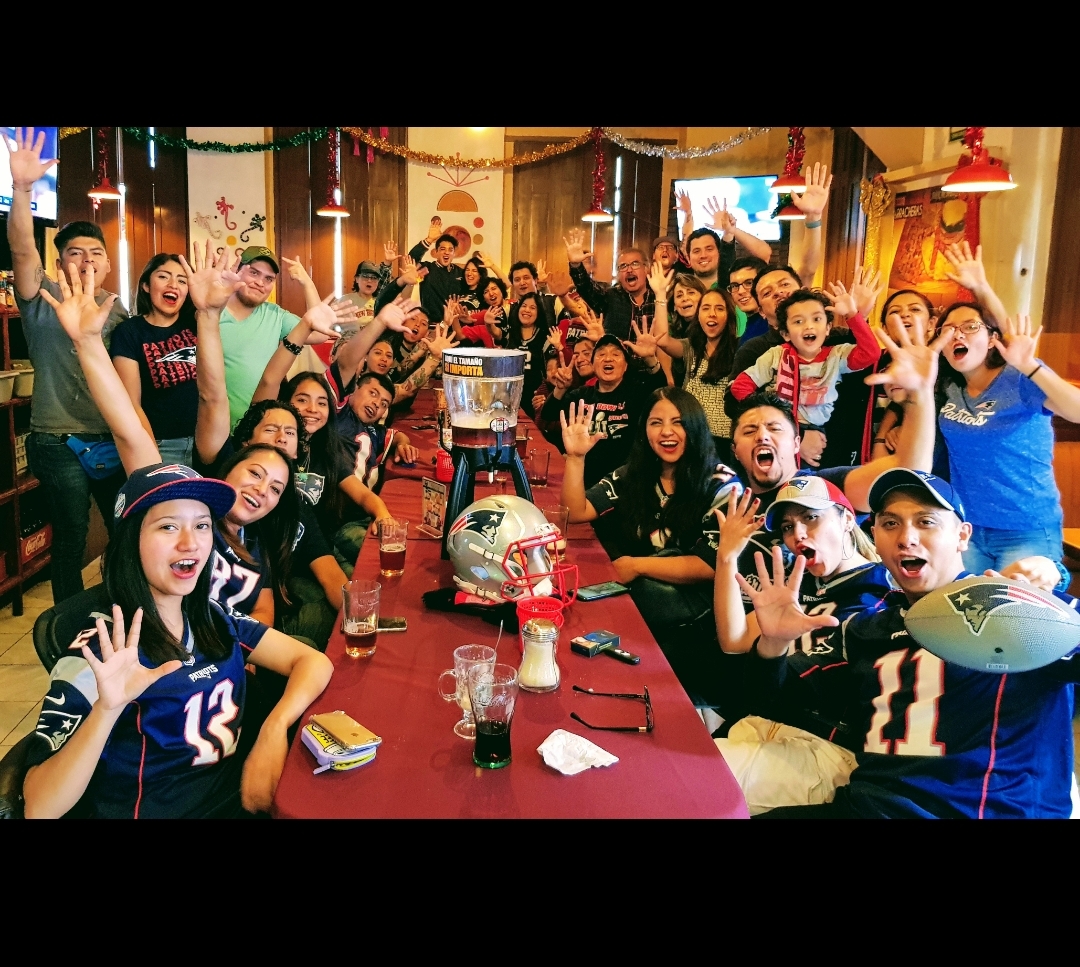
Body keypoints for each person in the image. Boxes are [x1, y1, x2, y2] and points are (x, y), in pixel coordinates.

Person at [23, 260, 334, 818]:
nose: (191, 541)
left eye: (200, 526)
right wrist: (107, 709)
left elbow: (314, 662)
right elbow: (38, 807)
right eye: (169, 526)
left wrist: (272, 732)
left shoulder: (212, 617)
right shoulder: (104, 651)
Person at [741, 469, 1080, 819]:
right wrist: (774, 643)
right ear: (874, 536)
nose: (906, 538)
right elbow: (769, 699)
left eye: (926, 522)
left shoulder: (1017, 609)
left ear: (962, 536)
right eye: (890, 524)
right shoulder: (864, 630)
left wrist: (1050, 580)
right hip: (865, 807)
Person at [4, 127, 129, 603]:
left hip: (110, 435)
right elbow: (21, 249)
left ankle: (122, 609)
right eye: (75, 253)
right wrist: (21, 189)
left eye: (96, 253)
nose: (86, 260)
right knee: (72, 533)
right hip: (57, 438)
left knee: (124, 527)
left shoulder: (117, 310)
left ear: (108, 264)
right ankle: (71, 620)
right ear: (60, 263)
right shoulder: (42, 298)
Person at [560, 390, 740, 702]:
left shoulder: (721, 484)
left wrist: (636, 565)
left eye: (678, 422)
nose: (666, 431)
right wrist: (576, 458)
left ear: (695, 427)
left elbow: (711, 564)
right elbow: (575, 512)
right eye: (656, 422)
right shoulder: (636, 473)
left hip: (694, 620)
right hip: (643, 601)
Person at [935, 301, 1080, 573]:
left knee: (1012, 600)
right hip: (967, 528)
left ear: (992, 339)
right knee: (960, 600)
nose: (957, 334)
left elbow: (1077, 411)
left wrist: (1029, 365)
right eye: (948, 329)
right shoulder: (948, 387)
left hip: (1026, 528)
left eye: (970, 326)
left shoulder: (1019, 378)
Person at [730, 267, 880, 469]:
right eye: (767, 292)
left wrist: (855, 315)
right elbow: (736, 394)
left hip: (833, 444)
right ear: (762, 312)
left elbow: (868, 356)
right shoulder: (765, 352)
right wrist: (789, 431)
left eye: (784, 284)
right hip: (781, 437)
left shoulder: (836, 350)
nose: (808, 326)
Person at [540, 334, 666, 488]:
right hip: (585, 480)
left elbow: (661, 391)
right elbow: (548, 414)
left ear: (626, 366)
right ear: (593, 365)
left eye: (616, 354)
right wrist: (560, 388)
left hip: (623, 483)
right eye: (601, 354)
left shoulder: (636, 393)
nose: (608, 358)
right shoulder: (582, 395)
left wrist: (650, 359)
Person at [642, 266, 739, 461]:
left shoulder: (740, 349)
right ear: (698, 315)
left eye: (719, 309)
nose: (712, 314)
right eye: (706, 308)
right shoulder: (691, 347)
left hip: (724, 443)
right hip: (692, 437)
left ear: (729, 314)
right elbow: (663, 340)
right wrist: (660, 294)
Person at [109, 254, 197, 467]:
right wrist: (151, 454)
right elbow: (131, 404)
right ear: (146, 285)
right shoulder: (129, 332)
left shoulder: (197, 324)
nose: (173, 285)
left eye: (182, 280)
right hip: (161, 444)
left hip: (205, 439)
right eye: (164, 277)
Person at [564, 228, 654, 340]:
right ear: (618, 274)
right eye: (623, 266)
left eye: (635, 264)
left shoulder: (659, 299)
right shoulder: (611, 297)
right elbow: (586, 287)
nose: (629, 270)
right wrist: (576, 265)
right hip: (614, 351)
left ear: (646, 268)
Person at [505, 292, 555, 416]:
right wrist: (489, 324)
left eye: (532, 308)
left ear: (539, 312)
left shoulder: (545, 337)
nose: (527, 310)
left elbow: (551, 369)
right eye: (524, 306)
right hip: (508, 394)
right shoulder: (510, 333)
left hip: (534, 397)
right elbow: (495, 333)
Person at [408, 216, 464, 321]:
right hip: (431, 324)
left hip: (455, 325)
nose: (446, 252)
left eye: (450, 250)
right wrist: (429, 240)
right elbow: (411, 259)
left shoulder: (460, 273)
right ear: (436, 252)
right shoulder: (427, 269)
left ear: (454, 254)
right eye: (442, 249)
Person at [726, 255, 771, 345]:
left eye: (749, 283)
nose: (740, 291)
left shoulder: (775, 325)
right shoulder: (748, 330)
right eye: (734, 286)